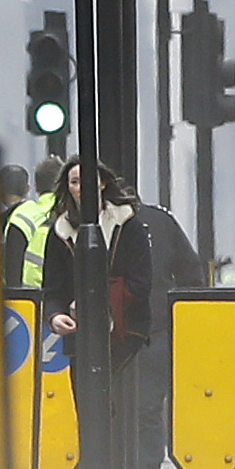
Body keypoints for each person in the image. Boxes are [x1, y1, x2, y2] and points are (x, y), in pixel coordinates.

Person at [41, 157, 152, 374]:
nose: (82, 188)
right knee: (85, 403)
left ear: (102, 184)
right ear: (68, 188)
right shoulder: (59, 232)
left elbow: (140, 283)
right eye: (74, 182)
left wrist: (94, 304)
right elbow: (53, 288)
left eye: (89, 180)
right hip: (80, 338)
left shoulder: (129, 225)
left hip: (126, 333)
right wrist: (56, 316)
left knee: (117, 401)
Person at [130, 200, 203, 469]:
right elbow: (191, 275)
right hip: (151, 328)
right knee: (146, 408)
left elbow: (191, 274)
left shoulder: (156, 222)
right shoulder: (158, 221)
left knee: (143, 406)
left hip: (143, 329)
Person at [3, 156, 63, 289]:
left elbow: (12, 273)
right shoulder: (73, 212)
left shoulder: (22, 216)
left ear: (36, 187)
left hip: (30, 302)